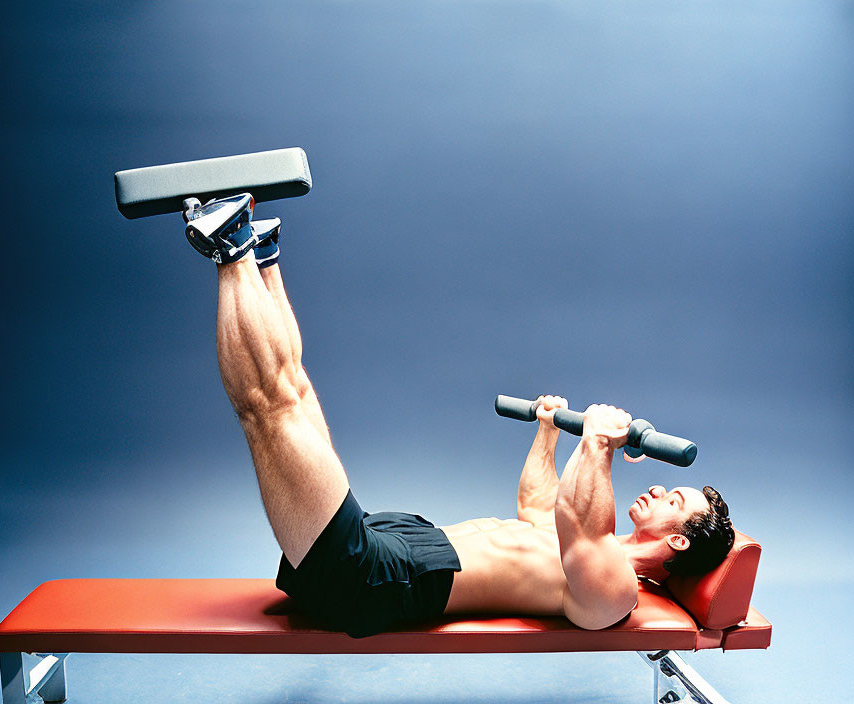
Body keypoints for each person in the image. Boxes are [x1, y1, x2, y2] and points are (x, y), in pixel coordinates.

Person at [198, 219, 734, 638]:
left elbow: (580, 522)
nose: (661, 489)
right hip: (407, 543)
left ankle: (232, 249)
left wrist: (596, 440)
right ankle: (263, 261)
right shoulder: (585, 545)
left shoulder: (615, 589)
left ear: (680, 541)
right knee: (294, 389)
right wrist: (548, 434)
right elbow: (538, 508)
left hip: (387, 580)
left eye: (675, 499)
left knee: (270, 407)